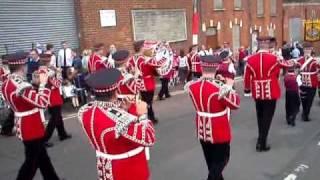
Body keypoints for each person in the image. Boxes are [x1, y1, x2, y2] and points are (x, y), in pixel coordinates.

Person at [78, 68, 156, 180]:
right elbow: (149, 138)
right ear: (115, 92)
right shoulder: (121, 121)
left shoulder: (85, 111)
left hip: (105, 167)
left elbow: (106, 116)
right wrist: (143, 115)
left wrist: (124, 109)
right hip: (128, 169)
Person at [1, 52, 62, 180]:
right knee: (31, 163)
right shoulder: (21, 85)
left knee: (43, 158)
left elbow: (24, 101)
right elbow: (42, 102)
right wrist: (43, 84)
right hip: (31, 126)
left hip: (24, 123)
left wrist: (34, 85)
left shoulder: (7, 82)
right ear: (23, 66)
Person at [185, 54, 240, 180]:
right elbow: (235, 104)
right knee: (221, 161)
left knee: (211, 162)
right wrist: (229, 86)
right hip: (219, 129)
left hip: (202, 130)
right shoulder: (219, 88)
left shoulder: (192, 86)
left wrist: (219, 82)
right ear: (216, 68)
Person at [244, 36, 294, 152]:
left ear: (259, 44)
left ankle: (261, 139)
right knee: (267, 117)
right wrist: (295, 61)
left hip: (257, 91)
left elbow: (247, 75)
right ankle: (262, 142)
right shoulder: (274, 58)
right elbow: (287, 64)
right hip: (270, 91)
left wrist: (247, 89)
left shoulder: (251, 59)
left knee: (260, 116)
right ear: (268, 45)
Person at [35, 54, 72, 145]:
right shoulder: (45, 71)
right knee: (54, 119)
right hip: (52, 97)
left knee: (58, 117)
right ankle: (44, 139)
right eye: (50, 60)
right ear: (47, 61)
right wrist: (58, 73)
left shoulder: (43, 70)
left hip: (52, 95)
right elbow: (57, 84)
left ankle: (62, 134)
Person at [127, 40, 164, 124]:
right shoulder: (144, 59)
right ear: (141, 48)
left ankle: (143, 117)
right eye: (144, 46)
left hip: (137, 83)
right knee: (148, 102)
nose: (145, 48)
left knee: (142, 101)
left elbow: (130, 70)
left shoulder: (131, 59)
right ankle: (150, 118)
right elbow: (155, 68)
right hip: (147, 83)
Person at [296, 43, 319, 122]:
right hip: (302, 83)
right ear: (303, 50)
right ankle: (304, 112)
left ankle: (306, 114)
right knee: (303, 99)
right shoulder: (300, 60)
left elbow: (318, 70)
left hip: (312, 83)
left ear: (311, 50)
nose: (307, 50)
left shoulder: (314, 61)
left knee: (310, 100)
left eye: (309, 49)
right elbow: (295, 68)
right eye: (306, 49)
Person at [0, 58, 14, 136]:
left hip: (8, 90)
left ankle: (6, 129)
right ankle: (6, 129)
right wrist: (5, 75)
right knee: (11, 111)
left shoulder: (4, 69)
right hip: (4, 90)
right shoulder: (3, 70)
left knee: (11, 111)